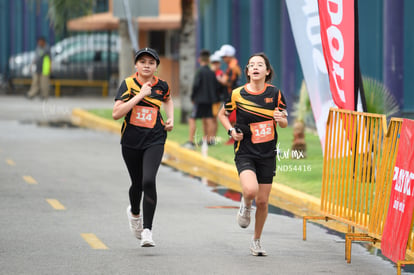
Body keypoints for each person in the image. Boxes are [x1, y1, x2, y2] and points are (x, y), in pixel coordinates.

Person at [218, 53, 288, 256]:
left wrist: (280, 118)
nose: (255, 68)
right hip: (246, 151)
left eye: (260, 65)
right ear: (247, 71)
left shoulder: (275, 94)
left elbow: (283, 122)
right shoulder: (237, 94)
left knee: (263, 201)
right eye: (252, 65)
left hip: (267, 153)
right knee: (250, 191)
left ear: (267, 71)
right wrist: (231, 131)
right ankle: (245, 204)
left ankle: (256, 240)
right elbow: (222, 114)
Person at [112, 48, 174, 247]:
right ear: (136, 65)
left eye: (151, 62)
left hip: (155, 139)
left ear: (156, 66)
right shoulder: (128, 84)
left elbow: (168, 99)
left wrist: (170, 117)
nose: (147, 65)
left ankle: (147, 230)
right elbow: (116, 113)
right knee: (137, 184)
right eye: (142, 61)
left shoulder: (162, 85)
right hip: (131, 141)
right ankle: (134, 213)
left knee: (149, 181)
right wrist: (140, 95)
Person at [183, 49, 220, 149]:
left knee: (192, 119)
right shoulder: (212, 73)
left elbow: (196, 85)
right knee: (209, 119)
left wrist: (193, 97)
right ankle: (209, 140)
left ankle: (190, 142)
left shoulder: (199, 71)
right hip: (210, 100)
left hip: (199, 100)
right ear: (208, 60)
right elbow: (217, 86)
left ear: (199, 60)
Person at [217, 44, 242, 144]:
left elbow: (228, 82)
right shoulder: (231, 66)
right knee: (230, 117)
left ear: (229, 56)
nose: (223, 59)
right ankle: (233, 137)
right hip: (231, 96)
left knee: (232, 118)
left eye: (224, 57)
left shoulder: (233, 67)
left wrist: (219, 78)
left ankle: (234, 137)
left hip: (234, 97)